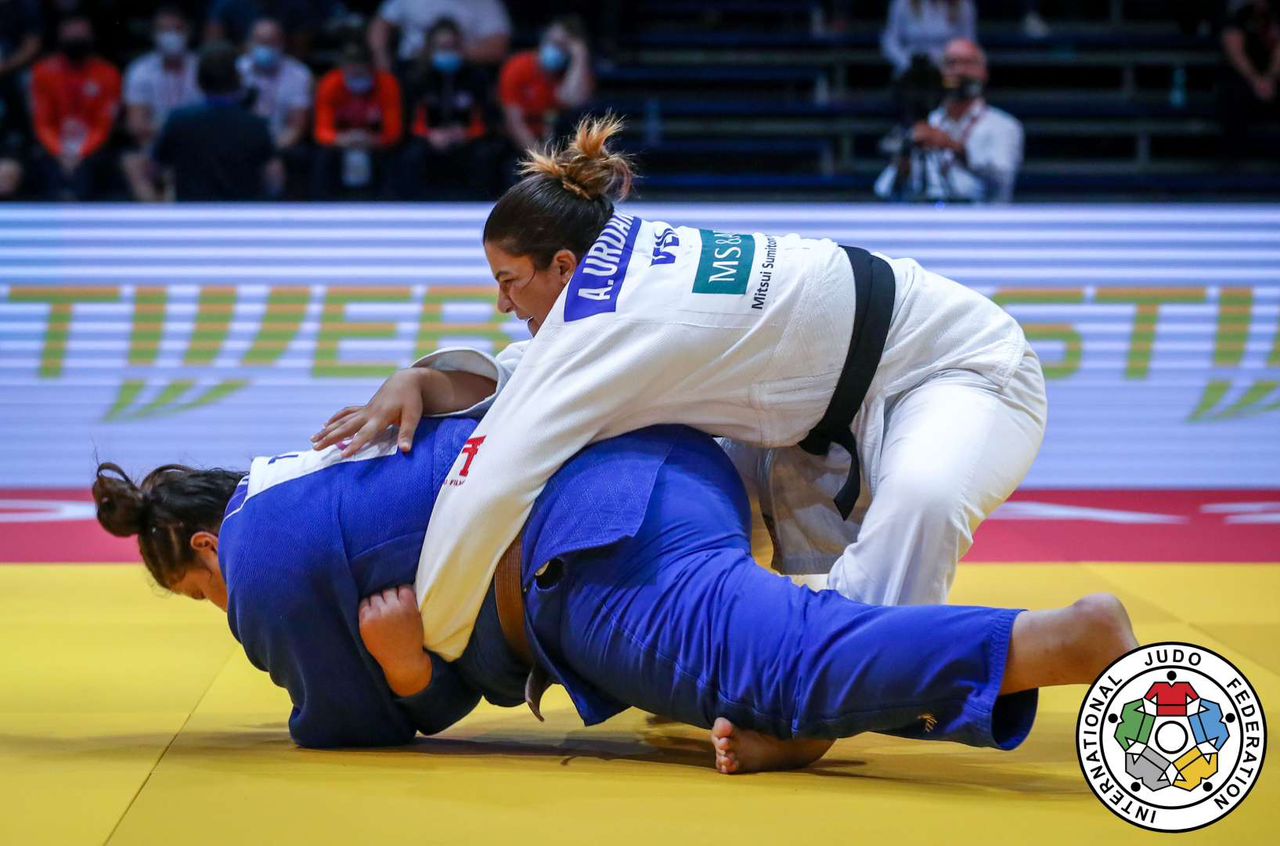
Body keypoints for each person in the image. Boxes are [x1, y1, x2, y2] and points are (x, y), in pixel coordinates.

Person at [313, 115, 1048, 663]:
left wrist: (436, 632)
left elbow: (490, 482)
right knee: (692, 511)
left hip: (954, 364)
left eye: (509, 281)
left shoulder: (613, 322)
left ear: (562, 266)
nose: (504, 303)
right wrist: (423, 378)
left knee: (924, 501)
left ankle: (859, 682)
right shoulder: (620, 258)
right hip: (822, 413)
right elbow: (536, 373)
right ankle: (734, 664)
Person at [93, 419, 1138, 773]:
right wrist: (411, 669)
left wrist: (404, 675)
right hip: (641, 479)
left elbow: (346, 728)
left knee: (783, 662)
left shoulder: (257, 559)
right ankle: (824, 716)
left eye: (200, 591)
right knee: (760, 673)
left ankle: (1060, 640)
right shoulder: (298, 473)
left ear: (205, 545)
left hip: (589, 547)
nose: (224, 613)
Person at [875, 38, 1024, 204]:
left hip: (982, 216)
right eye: (951, 63)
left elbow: (1002, 180)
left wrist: (954, 147)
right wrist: (904, 162)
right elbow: (883, 189)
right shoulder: (927, 123)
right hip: (931, 216)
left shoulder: (1004, 126)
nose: (959, 70)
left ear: (983, 72)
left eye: (968, 63)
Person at [152, 41, 280, 201]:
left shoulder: (178, 120)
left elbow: (156, 169)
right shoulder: (256, 124)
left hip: (191, 212)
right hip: (243, 213)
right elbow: (274, 179)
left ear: (199, 79)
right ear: (238, 79)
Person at [396, 17, 500, 200]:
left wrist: (466, 134)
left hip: (467, 138)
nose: (448, 52)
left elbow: (486, 118)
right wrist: (430, 135)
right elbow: (411, 119)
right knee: (411, 156)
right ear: (431, 49)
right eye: (442, 47)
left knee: (485, 155)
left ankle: (478, 206)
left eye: (452, 47)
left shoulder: (477, 77)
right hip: (428, 138)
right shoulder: (417, 78)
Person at [29, 14, 120, 201]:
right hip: (54, 146)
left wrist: (81, 152)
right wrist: (60, 151)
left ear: (91, 37)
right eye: (71, 35)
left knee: (93, 169)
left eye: (80, 35)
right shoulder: (43, 72)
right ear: (60, 37)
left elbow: (103, 124)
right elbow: (43, 123)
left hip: (93, 147)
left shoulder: (108, 74)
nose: (76, 40)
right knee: (46, 166)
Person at [121, 5, 202, 202]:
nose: (171, 36)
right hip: (155, 149)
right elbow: (136, 125)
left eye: (176, 29)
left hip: (196, 149)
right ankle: (155, 214)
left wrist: (164, 129)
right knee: (132, 163)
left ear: (188, 32)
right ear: (154, 35)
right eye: (164, 30)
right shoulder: (140, 70)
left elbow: (209, 121)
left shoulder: (201, 68)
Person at [312, 39, 402, 199]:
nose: (357, 77)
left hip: (375, 141)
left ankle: (388, 203)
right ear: (343, 69)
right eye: (353, 74)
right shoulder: (330, 84)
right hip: (341, 140)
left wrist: (372, 141)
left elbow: (393, 132)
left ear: (372, 69)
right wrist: (341, 140)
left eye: (362, 73)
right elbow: (321, 130)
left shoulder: (387, 84)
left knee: (396, 156)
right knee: (324, 157)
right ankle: (324, 202)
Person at [497, 16, 594, 156]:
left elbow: (571, 100)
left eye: (562, 45)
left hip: (562, 145)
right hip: (522, 146)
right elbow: (515, 124)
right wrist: (542, 159)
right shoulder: (518, 66)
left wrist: (579, 56)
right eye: (551, 42)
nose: (554, 49)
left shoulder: (577, 73)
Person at [237, 16, 313, 195]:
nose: (266, 47)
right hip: (242, 143)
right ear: (249, 44)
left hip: (282, 143)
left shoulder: (299, 74)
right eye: (261, 42)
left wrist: (270, 151)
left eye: (271, 42)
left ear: (282, 43)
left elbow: (297, 126)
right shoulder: (236, 71)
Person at [369, 0, 511, 72]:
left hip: (464, 68)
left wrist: (455, 53)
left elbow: (498, 47)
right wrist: (381, 59)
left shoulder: (485, 3)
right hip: (413, 66)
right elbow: (380, 25)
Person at [1219, 0, 1280, 161]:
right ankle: (1234, 156)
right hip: (1245, 74)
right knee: (1232, 94)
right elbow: (1234, 49)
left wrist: (1270, 77)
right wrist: (1255, 79)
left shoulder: (1274, 13)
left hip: (1272, 74)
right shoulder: (1237, 13)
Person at [881, 0, 976, 78]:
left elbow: (968, 43)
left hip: (948, 70)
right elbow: (890, 40)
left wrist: (948, 62)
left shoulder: (963, 5)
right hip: (910, 67)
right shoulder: (902, 3)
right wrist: (905, 62)